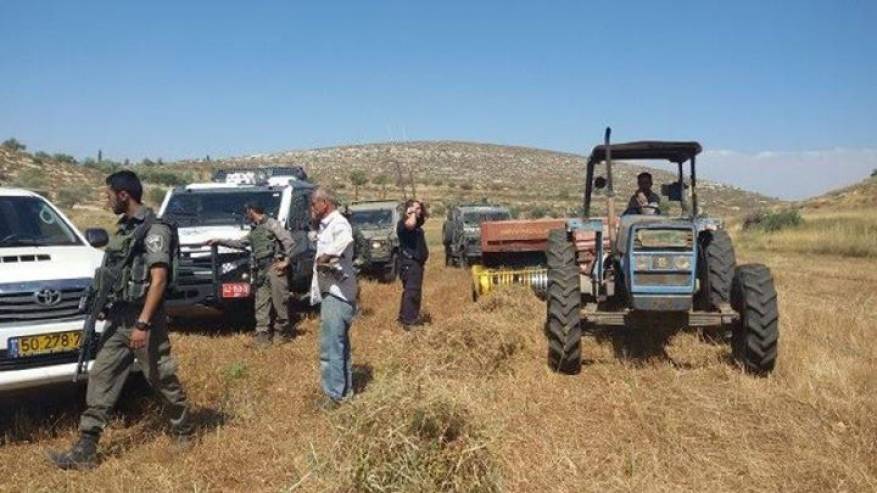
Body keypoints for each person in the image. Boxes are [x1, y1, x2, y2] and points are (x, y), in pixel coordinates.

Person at [49, 170, 192, 470]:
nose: (107, 200)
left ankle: (183, 429)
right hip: (118, 315)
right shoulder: (125, 229)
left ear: (124, 195)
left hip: (144, 317)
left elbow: (159, 280)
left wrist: (142, 324)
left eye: (109, 194)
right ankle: (86, 447)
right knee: (102, 375)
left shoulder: (155, 230)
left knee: (160, 376)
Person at [208, 201, 296, 347]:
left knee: (280, 303)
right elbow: (240, 243)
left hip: (275, 268)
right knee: (261, 304)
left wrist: (286, 261)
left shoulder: (272, 224)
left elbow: (289, 242)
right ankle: (262, 337)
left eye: (246, 212)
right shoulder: (255, 230)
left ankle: (281, 333)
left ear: (251, 211)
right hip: (261, 270)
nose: (246, 215)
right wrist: (219, 241)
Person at [309, 187, 358, 407]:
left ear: (324, 203)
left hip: (337, 293)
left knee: (330, 347)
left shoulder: (338, 223)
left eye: (313, 204)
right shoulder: (325, 225)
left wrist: (327, 256)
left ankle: (334, 395)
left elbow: (346, 239)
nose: (312, 208)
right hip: (333, 291)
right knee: (340, 346)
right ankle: (344, 392)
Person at [397, 199, 428, 329]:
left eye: (419, 209)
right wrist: (412, 212)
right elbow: (410, 224)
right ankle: (409, 322)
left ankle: (405, 317)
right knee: (412, 292)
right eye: (417, 209)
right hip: (410, 264)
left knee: (413, 292)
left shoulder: (416, 224)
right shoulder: (404, 223)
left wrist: (421, 205)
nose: (419, 211)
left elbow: (425, 216)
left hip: (416, 264)